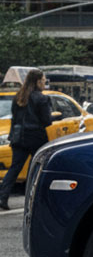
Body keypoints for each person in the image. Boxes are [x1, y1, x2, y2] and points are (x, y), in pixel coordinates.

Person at [0, 69, 53, 210]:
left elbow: (14, 118)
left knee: (14, 168)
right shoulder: (42, 98)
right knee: (36, 169)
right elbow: (46, 121)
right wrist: (54, 116)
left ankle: (2, 197)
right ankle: (33, 200)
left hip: (19, 137)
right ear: (37, 81)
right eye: (43, 80)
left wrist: (12, 136)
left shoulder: (19, 96)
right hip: (36, 137)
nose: (44, 83)